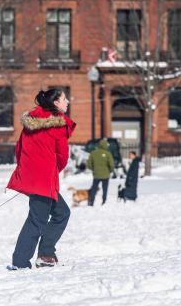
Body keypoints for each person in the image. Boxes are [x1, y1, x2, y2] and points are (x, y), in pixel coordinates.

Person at [7, 89, 76, 269]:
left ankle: (45, 253)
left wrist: (29, 170)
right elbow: (62, 156)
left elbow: (19, 148)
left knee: (61, 213)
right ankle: (21, 262)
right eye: (64, 99)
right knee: (37, 219)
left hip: (34, 177)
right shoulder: (58, 124)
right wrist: (49, 172)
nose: (67, 101)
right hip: (44, 179)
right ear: (56, 103)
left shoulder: (32, 120)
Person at [86, 139, 115, 206]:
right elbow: (111, 165)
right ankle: (104, 202)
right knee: (105, 189)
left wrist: (94, 169)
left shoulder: (93, 153)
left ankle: (91, 202)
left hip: (96, 175)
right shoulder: (108, 154)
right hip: (105, 175)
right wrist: (109, 171)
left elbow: (89, 164)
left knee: (94, 189)